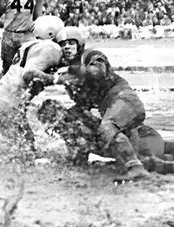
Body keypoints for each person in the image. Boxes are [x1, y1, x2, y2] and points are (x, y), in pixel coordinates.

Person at [38, 100, 174, 177]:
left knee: (149, 163)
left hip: (139, 136)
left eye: (53, 120)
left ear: (61, 114)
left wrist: (132, 153)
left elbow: (122, 127)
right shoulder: (71, 132)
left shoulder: (85, 119)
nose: (54, 127)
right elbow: (79, 160)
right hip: (146, 136)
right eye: (50, 124)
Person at [49, 27, 149, 182]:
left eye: (70, 43)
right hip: (117, 120)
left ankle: (136, 168)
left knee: (107, 127)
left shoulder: (90, 55)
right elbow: (83, 105)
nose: (67, 47)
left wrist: (69, 71)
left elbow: (98, 72)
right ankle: (79, 158)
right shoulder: (68, 74)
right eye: (63, 44)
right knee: (68, 119)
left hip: (124, 100)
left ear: (79, 44)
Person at [0, 14, 65, 144]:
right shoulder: (50, 47)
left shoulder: (30, 45)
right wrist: (56, 79)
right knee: (26, 150)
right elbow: (29, 73)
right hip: (7, 103)